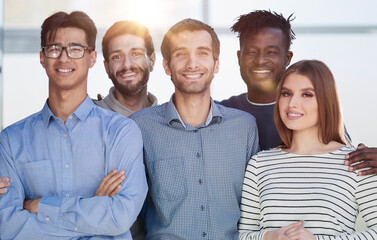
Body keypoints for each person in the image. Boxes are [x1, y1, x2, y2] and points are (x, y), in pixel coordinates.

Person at [0, 11, 147, 239]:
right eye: (55, 48)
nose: (64, 58)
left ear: (92, 58)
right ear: (42, 57)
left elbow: (120, 215)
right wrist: (94, 210)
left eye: (76, 49)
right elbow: (8, 225)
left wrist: (41, 207)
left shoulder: (121, 132)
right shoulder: (11, 141)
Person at [130, 18, 260, 239]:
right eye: (181, 54)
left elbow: (256, 209)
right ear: (166, 66)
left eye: (202, 53)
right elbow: (132, 211)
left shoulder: (244, 127)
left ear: (216, 63)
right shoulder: (140, 127)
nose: (192, 63)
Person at [219, 9, 377, 175]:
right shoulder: (220, 113)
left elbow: (344, 165)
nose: (260, 60)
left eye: (271, 52)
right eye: (251, 52)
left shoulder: (313, 115)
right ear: (239, 57)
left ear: (287, 58)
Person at [238, 60, 377, 240]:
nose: (292, 103)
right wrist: (269, 237)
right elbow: (242, 235)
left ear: (326, 101)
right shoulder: (259, 163)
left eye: (307, 95)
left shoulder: (356, 163)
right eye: (286, 93)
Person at [94, 20, 158, 117]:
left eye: (136, 54)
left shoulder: (170, 121)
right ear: (107, 67)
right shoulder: (92, 116)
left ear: (152, 61)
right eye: (117, 57)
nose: (127, 65)